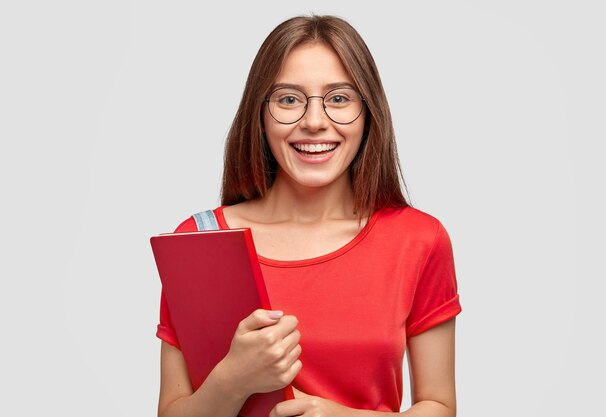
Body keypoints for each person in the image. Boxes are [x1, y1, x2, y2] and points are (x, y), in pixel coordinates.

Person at [156, 14, 461, 417]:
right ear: (260, 115)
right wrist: (233, 379)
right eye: (288, 99)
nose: (315, 122)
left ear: (368, 113)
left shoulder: (418, 239)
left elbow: (439, 406)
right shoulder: (201, 240)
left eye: (338, 99)